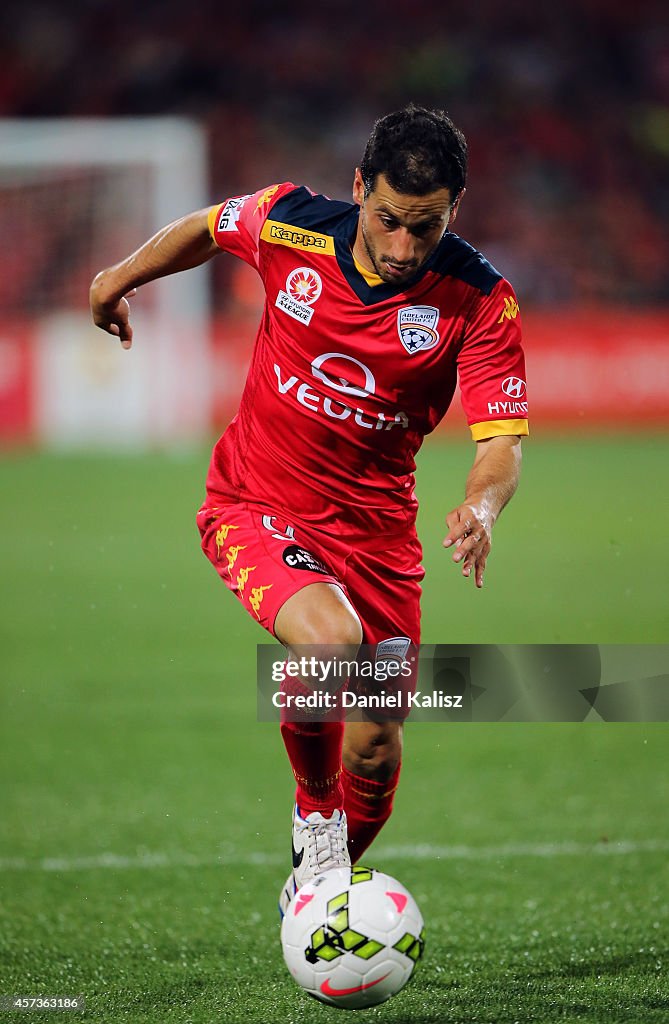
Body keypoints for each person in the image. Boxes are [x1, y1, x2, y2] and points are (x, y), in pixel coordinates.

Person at [90, 104, 528, 915]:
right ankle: (315, 815)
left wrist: (482, 506)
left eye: (423, 229)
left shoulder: (477, 298)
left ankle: (315, 889)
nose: (402, 248)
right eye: (389, 220)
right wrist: (117, 278)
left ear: (454, 211)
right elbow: (203, 226)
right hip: (254, 502)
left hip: (379, 541)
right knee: (328, 643)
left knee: (373, 746)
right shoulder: (288, 223)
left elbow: (499, 443)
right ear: (358, 187)